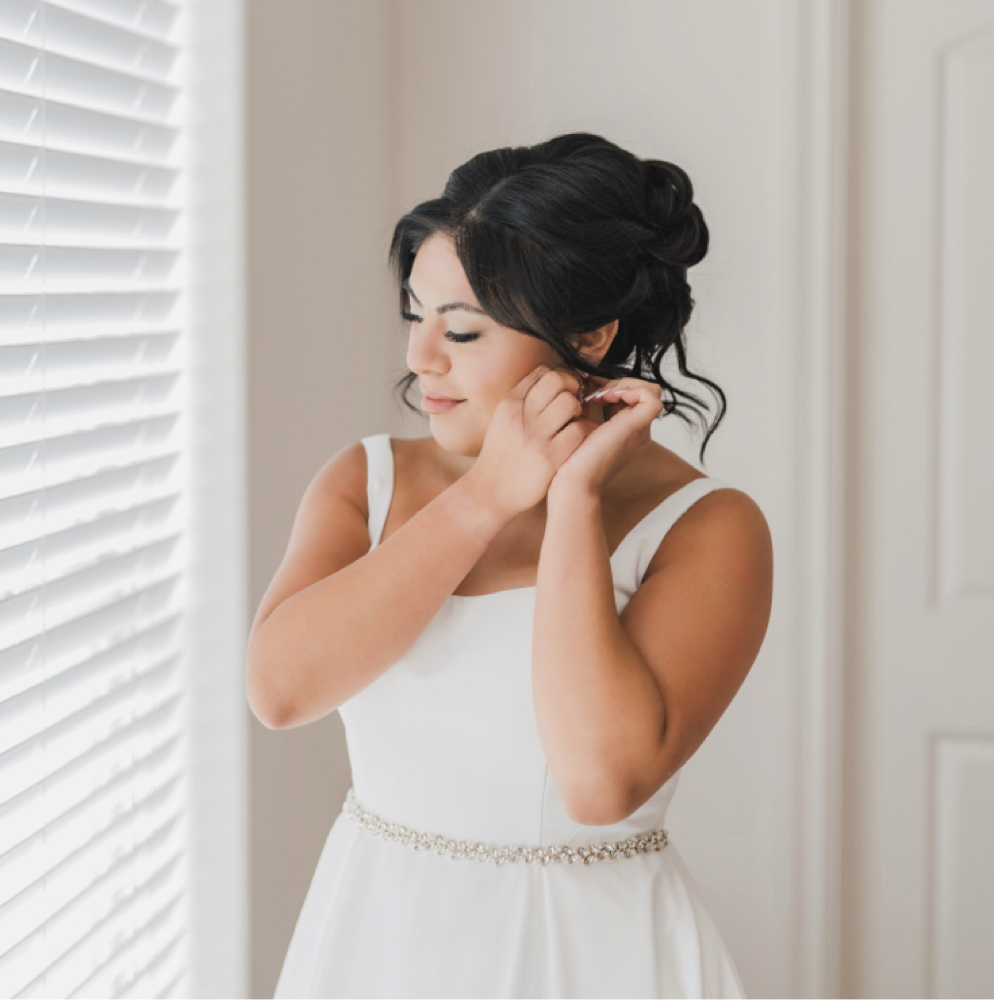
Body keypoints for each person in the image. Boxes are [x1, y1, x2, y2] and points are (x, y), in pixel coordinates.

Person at [249, 132, 774, 999]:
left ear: (590, 335)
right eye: (416, 315)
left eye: (461, 329)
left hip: (594, 956)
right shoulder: (364, 481)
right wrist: (488, 494)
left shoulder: (708, 528)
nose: (421, 358)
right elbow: (279, 691)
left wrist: (571, 498)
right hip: (381, 939)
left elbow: (599, 782)